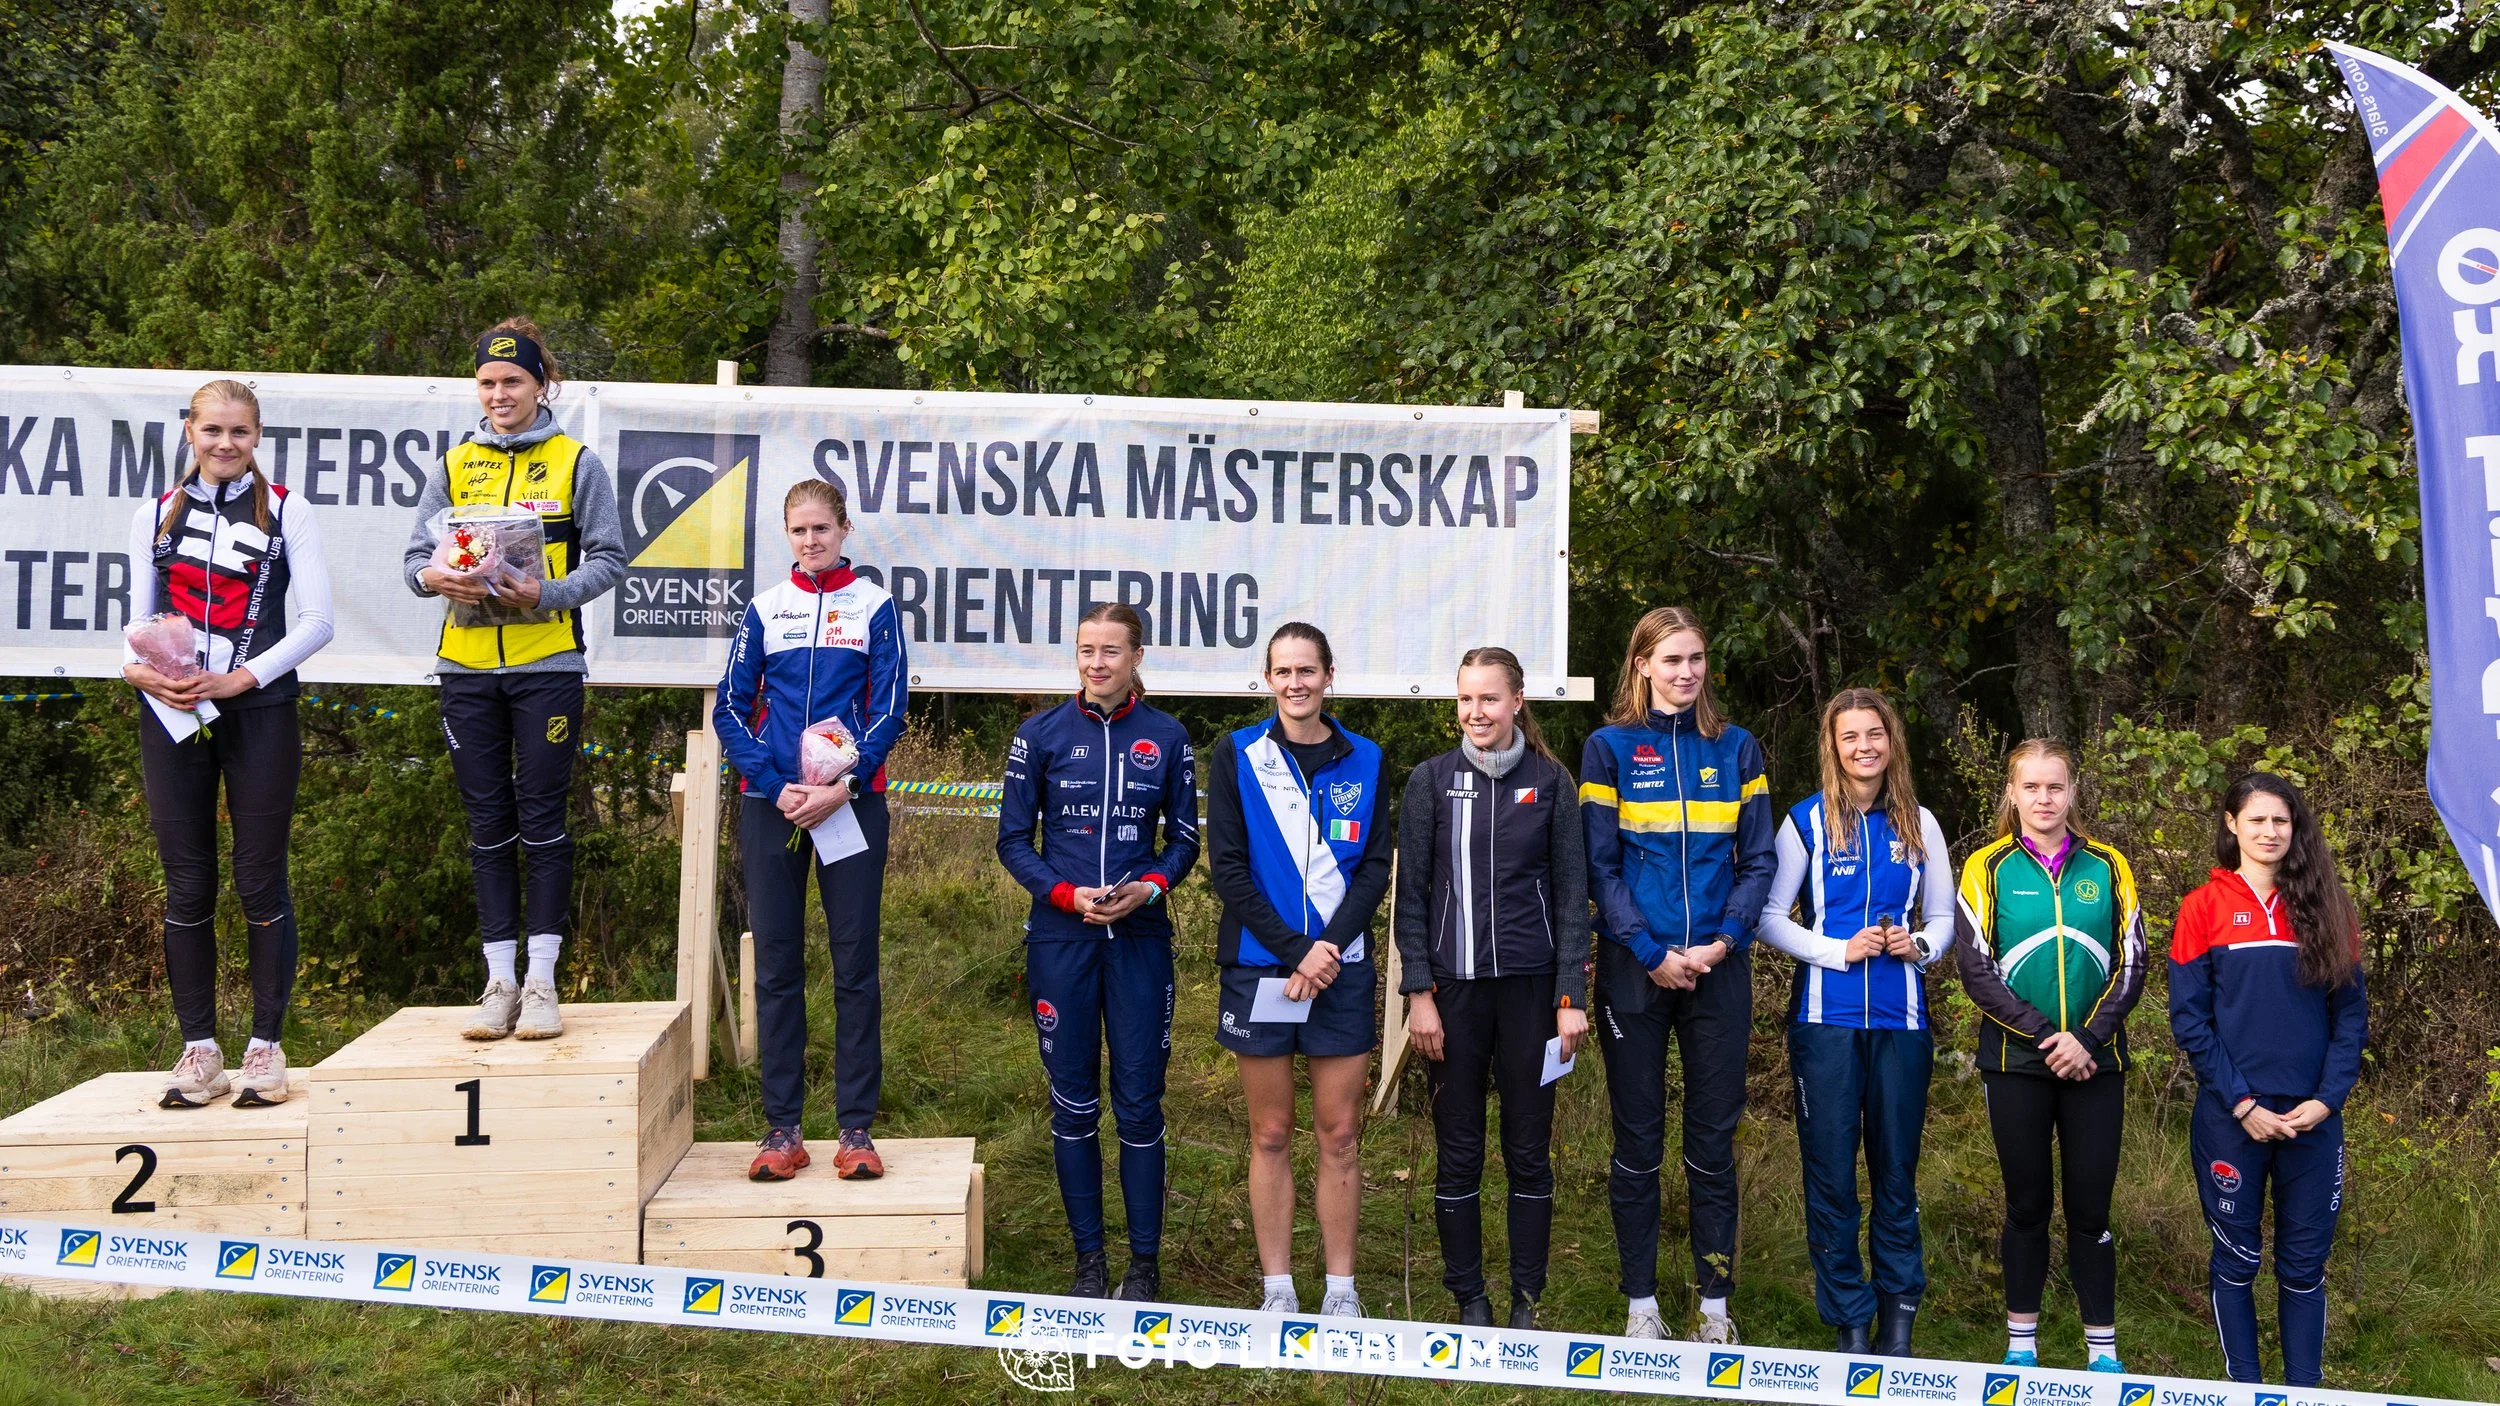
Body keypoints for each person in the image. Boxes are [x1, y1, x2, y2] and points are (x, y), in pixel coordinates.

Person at [403, 318, 625, 1042]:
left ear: (542, 385)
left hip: (546, 665)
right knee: (487, 824)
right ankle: (498, 979)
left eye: (514, 382)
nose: (500, 395)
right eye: (489, 383)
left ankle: (542, 982)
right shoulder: (454, 462)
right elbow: (414, 560)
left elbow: (610, 560)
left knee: (543, 820)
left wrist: (545, 595)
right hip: (465, 668)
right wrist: (435, 576)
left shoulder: (575, 461)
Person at [122, 380, 335, 1108]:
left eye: (239, 432)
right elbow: (133, 622)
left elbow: (318, 623)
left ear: (257, 436)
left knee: (258, 878)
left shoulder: (286, 509)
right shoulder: (156, 512)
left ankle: (266, 1048)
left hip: (260, 708)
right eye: (212, 430)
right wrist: (144, 675)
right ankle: (199, 1050)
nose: (225, 444)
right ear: (189, 431)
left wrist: (241, 678)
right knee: (187, 883)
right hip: (173, 712)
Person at [1581, 605, 1775, 1344]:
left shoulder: (1737, 748)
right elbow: (1601, 866)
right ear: (1641, 666)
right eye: (1671, 660)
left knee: (1711, 1143)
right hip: (1638, 971)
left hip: (1718, 969)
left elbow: (1758, 863)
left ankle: (1714, 1308)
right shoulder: (1609, 748)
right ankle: (1641, 1306)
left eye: (1695, 659)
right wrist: (1650, 950)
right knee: (1638, 1142)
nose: (1686, 672)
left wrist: (1724, 942)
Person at [996, 603, 1200, 1300]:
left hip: (1139, 940)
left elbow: (1186, 843)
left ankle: (1144, 1267)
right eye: (1087, 650)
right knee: (1074, 1105)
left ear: (1137, 656)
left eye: (1111, 651)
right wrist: (1064, 897)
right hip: (1062, 940)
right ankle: (1091, 1263)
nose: (1097, 663)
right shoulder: (1040, 734)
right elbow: (1014, 842)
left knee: (1140, 1105)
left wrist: (1149, 887)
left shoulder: (1168, 737)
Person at [1393, 646, 1589, 1331]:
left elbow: (1572, 897)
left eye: (1489, 699)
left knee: (1529, 1151)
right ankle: (1468, 1297)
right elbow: (1410, 898)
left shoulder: (1553, 782)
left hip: (1534, 998)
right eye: (1466, 699)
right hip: (1453, 997)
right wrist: (1419, 994)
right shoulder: (1430, 781)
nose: (1476, 712)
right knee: (1460, 1150)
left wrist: (1571, 1000)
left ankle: (1526, 1302)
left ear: (1517, 701)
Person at [716, 478, 906, 1182]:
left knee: (855, 966)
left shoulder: (875, 606)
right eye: (798, 531)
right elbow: (729, 710)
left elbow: (890, 709)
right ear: (786, 535)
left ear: (845, 529)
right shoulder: (766, 610)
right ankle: (782, 1129)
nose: (810, 541)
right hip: (775, 804)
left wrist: (843, 784)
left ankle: (855, 1130)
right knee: (777, 966)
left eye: (821, 529)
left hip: (850, 802)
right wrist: (776, 785)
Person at [1757, 688, 1954, 1355]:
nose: (1865, 747)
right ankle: (1850, 1321)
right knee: (1833, 1176)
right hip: (1826, 1022)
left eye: (1876, 734)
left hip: (1902, 1023)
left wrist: (1918, 946)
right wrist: (1836, 951)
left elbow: (1946, 919)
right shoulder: (1805, 823)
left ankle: (1899, 1314)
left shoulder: (1920, 823)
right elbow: (1769, 917)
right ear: (1832, 747)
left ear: (1891, 742)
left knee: (1896, 1173)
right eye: (1851, 737)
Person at [1206, 622, 1392, 1318]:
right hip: (1262, 968)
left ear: (1328, 675)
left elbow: (1375, 868)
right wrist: (1294, 950)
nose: (1295, 683)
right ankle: (1277, 1289)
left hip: (1339, 969)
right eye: (1282, 671)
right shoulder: (1238, 755)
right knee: (1272, 1132)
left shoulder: (1367, 758)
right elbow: (1228, 869)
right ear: (1267, 678)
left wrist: (1328, 951)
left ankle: (1341, 1292)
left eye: (1306, 670)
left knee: (1341, 1134)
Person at [1954, 737, 2147, 1372]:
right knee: (2027, 1205)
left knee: (2091, 1211)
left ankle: (2103, 1353)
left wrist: (2086, 1040)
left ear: (2072, 792)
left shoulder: (2110, 866)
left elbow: (2133, 964)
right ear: (2011, 793)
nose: (2044, 798)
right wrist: (2047, 1037)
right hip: (2017, 1064)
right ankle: (2021, 1348)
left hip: (2096, 1063)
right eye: (2031, 787)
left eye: (2055, 786)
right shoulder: (1986, 866)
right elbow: (1976, 971)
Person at [2169, 773, 2366, 1388]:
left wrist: (2327, 1101)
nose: (2270, 832)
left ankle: (2303, 1390)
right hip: (2233, 1118)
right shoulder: (2202, 908)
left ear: (2295, 826)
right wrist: (2242, 1102)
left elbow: (2351, 1018)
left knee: (2304, 1266)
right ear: (2232, 825)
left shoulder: (2327, 906)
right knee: (2237, 1259)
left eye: (2281, 820)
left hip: (2312, 1119)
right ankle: (2246, 1389)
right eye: (2256, 820)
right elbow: (2190, 1021)